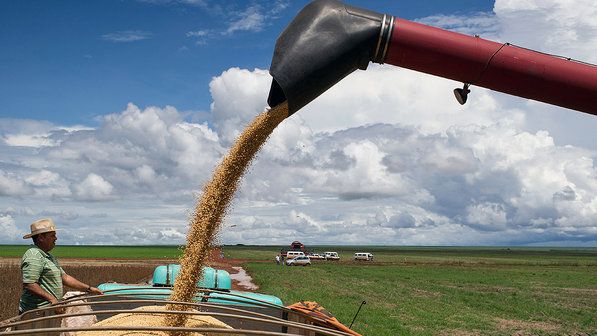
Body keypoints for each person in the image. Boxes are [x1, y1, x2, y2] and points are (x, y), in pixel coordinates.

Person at [20, 218, 103, 315]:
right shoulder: (34, 255)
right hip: (35, 313)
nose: (55, 238)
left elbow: (65, 278)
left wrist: (89, 289)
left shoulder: (48, 256)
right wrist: (53, 300)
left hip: (49, 310)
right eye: (52, 236)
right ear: (41, 237)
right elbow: (30, 284)